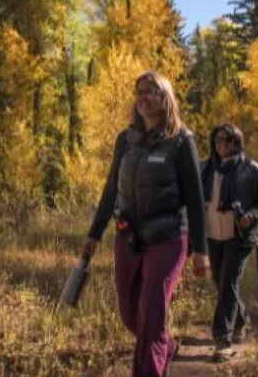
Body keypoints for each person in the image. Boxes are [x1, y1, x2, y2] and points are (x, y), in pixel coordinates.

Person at [82, 71, 210, 377]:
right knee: (130, 315)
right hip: (128, 238)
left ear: (165, 98)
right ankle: (166, 346)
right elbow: (111, 189)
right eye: (139, 91)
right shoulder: (125, 140)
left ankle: (153, 359)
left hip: (168, 238)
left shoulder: (181, 141)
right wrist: (93, 234)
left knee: (151, 319)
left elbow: (195, 198)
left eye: (150, 91)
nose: (142, 97)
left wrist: (201, 250)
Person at [201, 124, 258, 362]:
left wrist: (251, 216)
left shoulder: (251, 169)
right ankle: (241, 319)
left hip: (240, 237)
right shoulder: (207, 169)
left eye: (226, 140)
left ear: (236, 142)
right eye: (217, 140)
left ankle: (223, 340)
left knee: (228, 281)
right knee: (220, 282)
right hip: (213, 234)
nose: (220, 144)